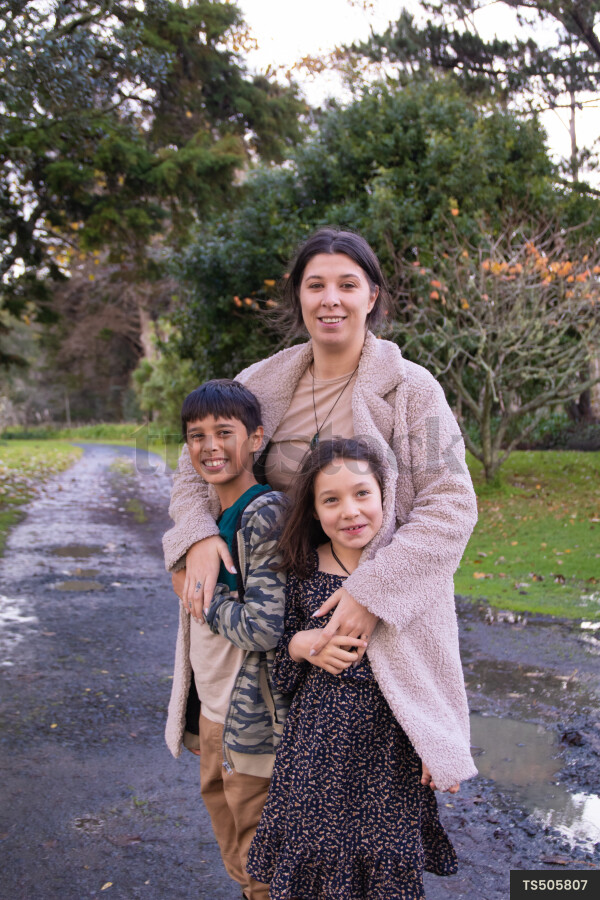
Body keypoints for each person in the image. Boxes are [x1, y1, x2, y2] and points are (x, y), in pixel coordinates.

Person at [163, 226, 478, 793]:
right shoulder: (260, 382)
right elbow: (193, 468)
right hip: (264, 613)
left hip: (365, 619)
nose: (331, 298)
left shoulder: (412, 390)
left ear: (371, 296)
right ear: (298, 296)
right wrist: (197, 535)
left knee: (355, 809)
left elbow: (451, 505)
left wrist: (372, 592)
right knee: (245, 796)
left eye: (347, 284)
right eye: (316, 285)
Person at [247, 438, 460, 899]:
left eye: (362, 493)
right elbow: (283, 668)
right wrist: (303, 645)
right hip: (316, 753)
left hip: (391, 753)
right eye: (332, 500)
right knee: (317, 871)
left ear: (385, 494)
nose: (350, 511)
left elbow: (438, 666)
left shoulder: (410, 572)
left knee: (386, 869)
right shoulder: (304, 569)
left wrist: (436, 740)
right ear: (315, 511)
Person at [164, 379, 289, 900]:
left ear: (256, 438)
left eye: (224, 432)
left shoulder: (264, 513)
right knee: (231, 841)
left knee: (258, 855)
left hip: (249, 718)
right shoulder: (208, 523)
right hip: (213, 707)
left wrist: (201, 594)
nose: (210, 446)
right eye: (196, 436)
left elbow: (264, 627)